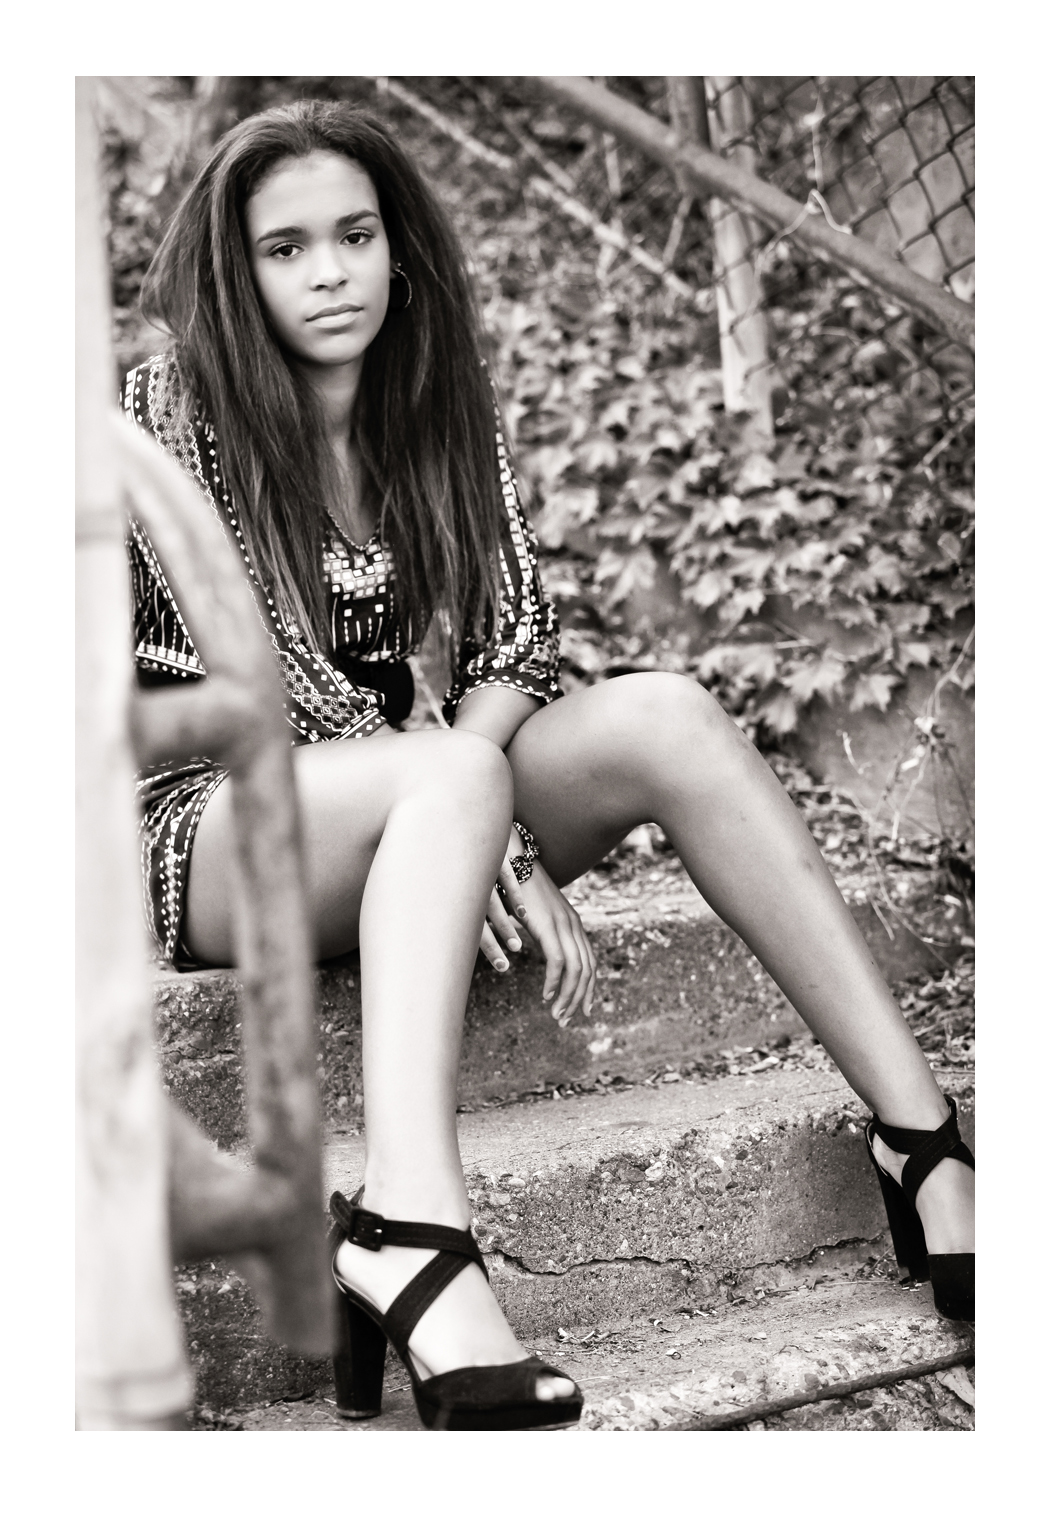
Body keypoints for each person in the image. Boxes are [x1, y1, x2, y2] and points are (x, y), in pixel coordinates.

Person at [123, 99, 973, 1430]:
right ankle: (407, 1222)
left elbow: (520, 636)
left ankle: (924, 1145)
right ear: (239, 269)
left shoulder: (432, 397)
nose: (329, 272)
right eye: (286, 249)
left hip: (415, 810)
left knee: (669, 715)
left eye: (354, 235)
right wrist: (493, 828)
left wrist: (475, 810)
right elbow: (263, 678)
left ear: (398, 247)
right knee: (456, 774)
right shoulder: (175, 403)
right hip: (215, 836)